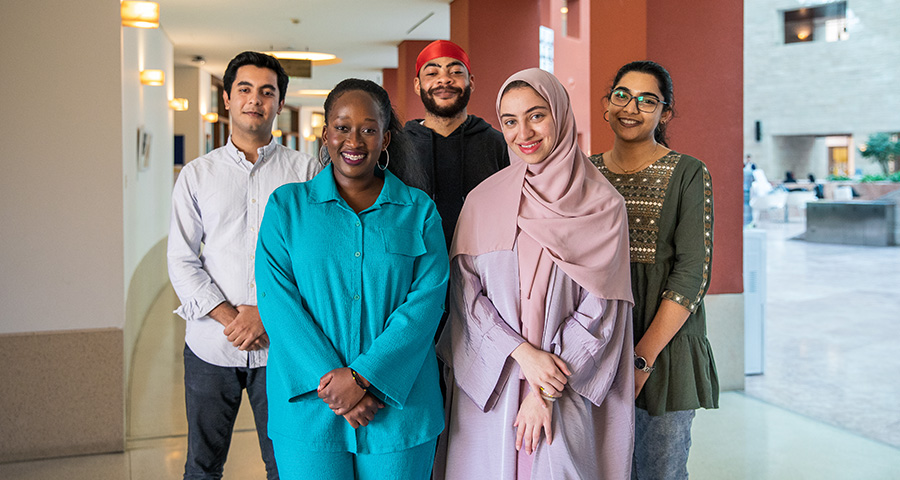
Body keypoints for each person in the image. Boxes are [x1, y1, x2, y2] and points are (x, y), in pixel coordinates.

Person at [435, 68, 635, 479]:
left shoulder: (603, 205)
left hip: (565, 389)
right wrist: (522, 355)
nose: (523, 131)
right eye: (509, 121)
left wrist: (543, 391)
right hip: (493, 385)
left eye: (536, 115)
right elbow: (465, 298)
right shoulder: (483, 200)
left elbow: (602, 312)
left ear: (560, 115)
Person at [255, 79, 448, 480]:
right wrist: (336, 386)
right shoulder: (286, 208)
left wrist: (365, 379)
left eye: (368, 128)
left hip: (399, 405)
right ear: (325, 134)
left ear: (386, 137)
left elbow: (427, 303)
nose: (354, 140)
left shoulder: (419, 211)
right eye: (342, 127)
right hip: (309, 405)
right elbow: (278, 304)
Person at [167, 51, 323, 479]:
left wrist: (264, 313)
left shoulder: (306, 172)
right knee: (202, 466)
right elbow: (182, 259)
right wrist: (233, 316)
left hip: (283, 348)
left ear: (279, 104)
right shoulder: (197, 175)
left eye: (267, 92)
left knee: (287, 464)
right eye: (245, 90)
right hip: (210, 345)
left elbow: (313, 259)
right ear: (227, 99)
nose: (255, 100)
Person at [589, 60, 719, 480]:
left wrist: (642, 359)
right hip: (594, 344)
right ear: (606, 105)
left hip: (664, 349)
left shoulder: (688, 172)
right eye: (622, 96)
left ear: (664, 114)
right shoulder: (584, 173)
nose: (631, 107)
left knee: (660, 470)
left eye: (648, 100)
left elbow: (692, 273)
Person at [403, 39, 509, 249]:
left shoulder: (499, 144)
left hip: (484, 268)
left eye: (455, 72)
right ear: (417, 85)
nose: (444, 80)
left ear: (471, 81)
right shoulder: (398, 147)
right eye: (432, 74)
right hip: (415, 271)